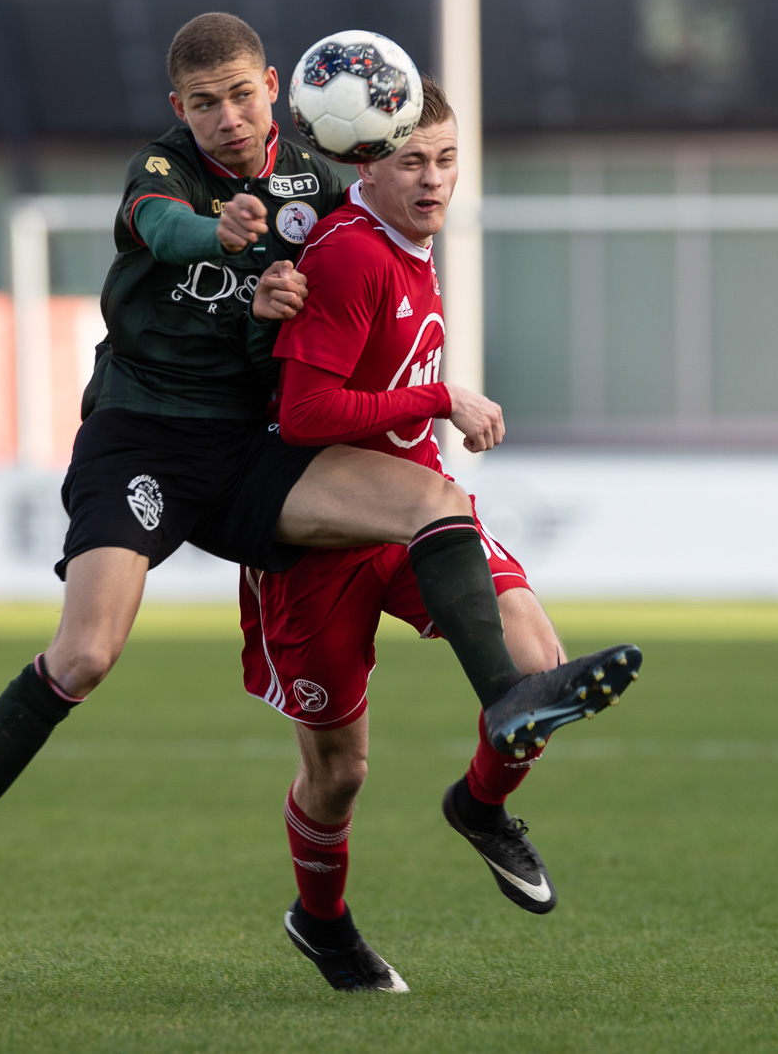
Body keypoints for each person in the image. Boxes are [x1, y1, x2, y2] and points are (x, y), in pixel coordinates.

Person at [0, 13, 640, 961]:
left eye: (243, 96)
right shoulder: (167, 173)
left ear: (274, 87)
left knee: (434, 503)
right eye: (206, 104)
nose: (229, 120)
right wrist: (220, 235)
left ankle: (506, 704)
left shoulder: (318, 176)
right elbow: (162, 228)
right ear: (179, 110)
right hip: (144, 434)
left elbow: (359, 220)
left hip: (249, 449)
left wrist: (289, 295)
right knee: (84, 655)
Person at [243, 76, 639, 993]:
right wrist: (442, 395)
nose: (434, 180)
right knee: (339, 772)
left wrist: (429, 411)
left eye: (448, 159)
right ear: (368, 163)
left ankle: (480, 802)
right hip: (322, 532)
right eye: (414, 160)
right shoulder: (348, 256)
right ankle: (322, 921)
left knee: (538, 661)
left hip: (420, 513)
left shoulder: (411, 246)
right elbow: (305, 415)